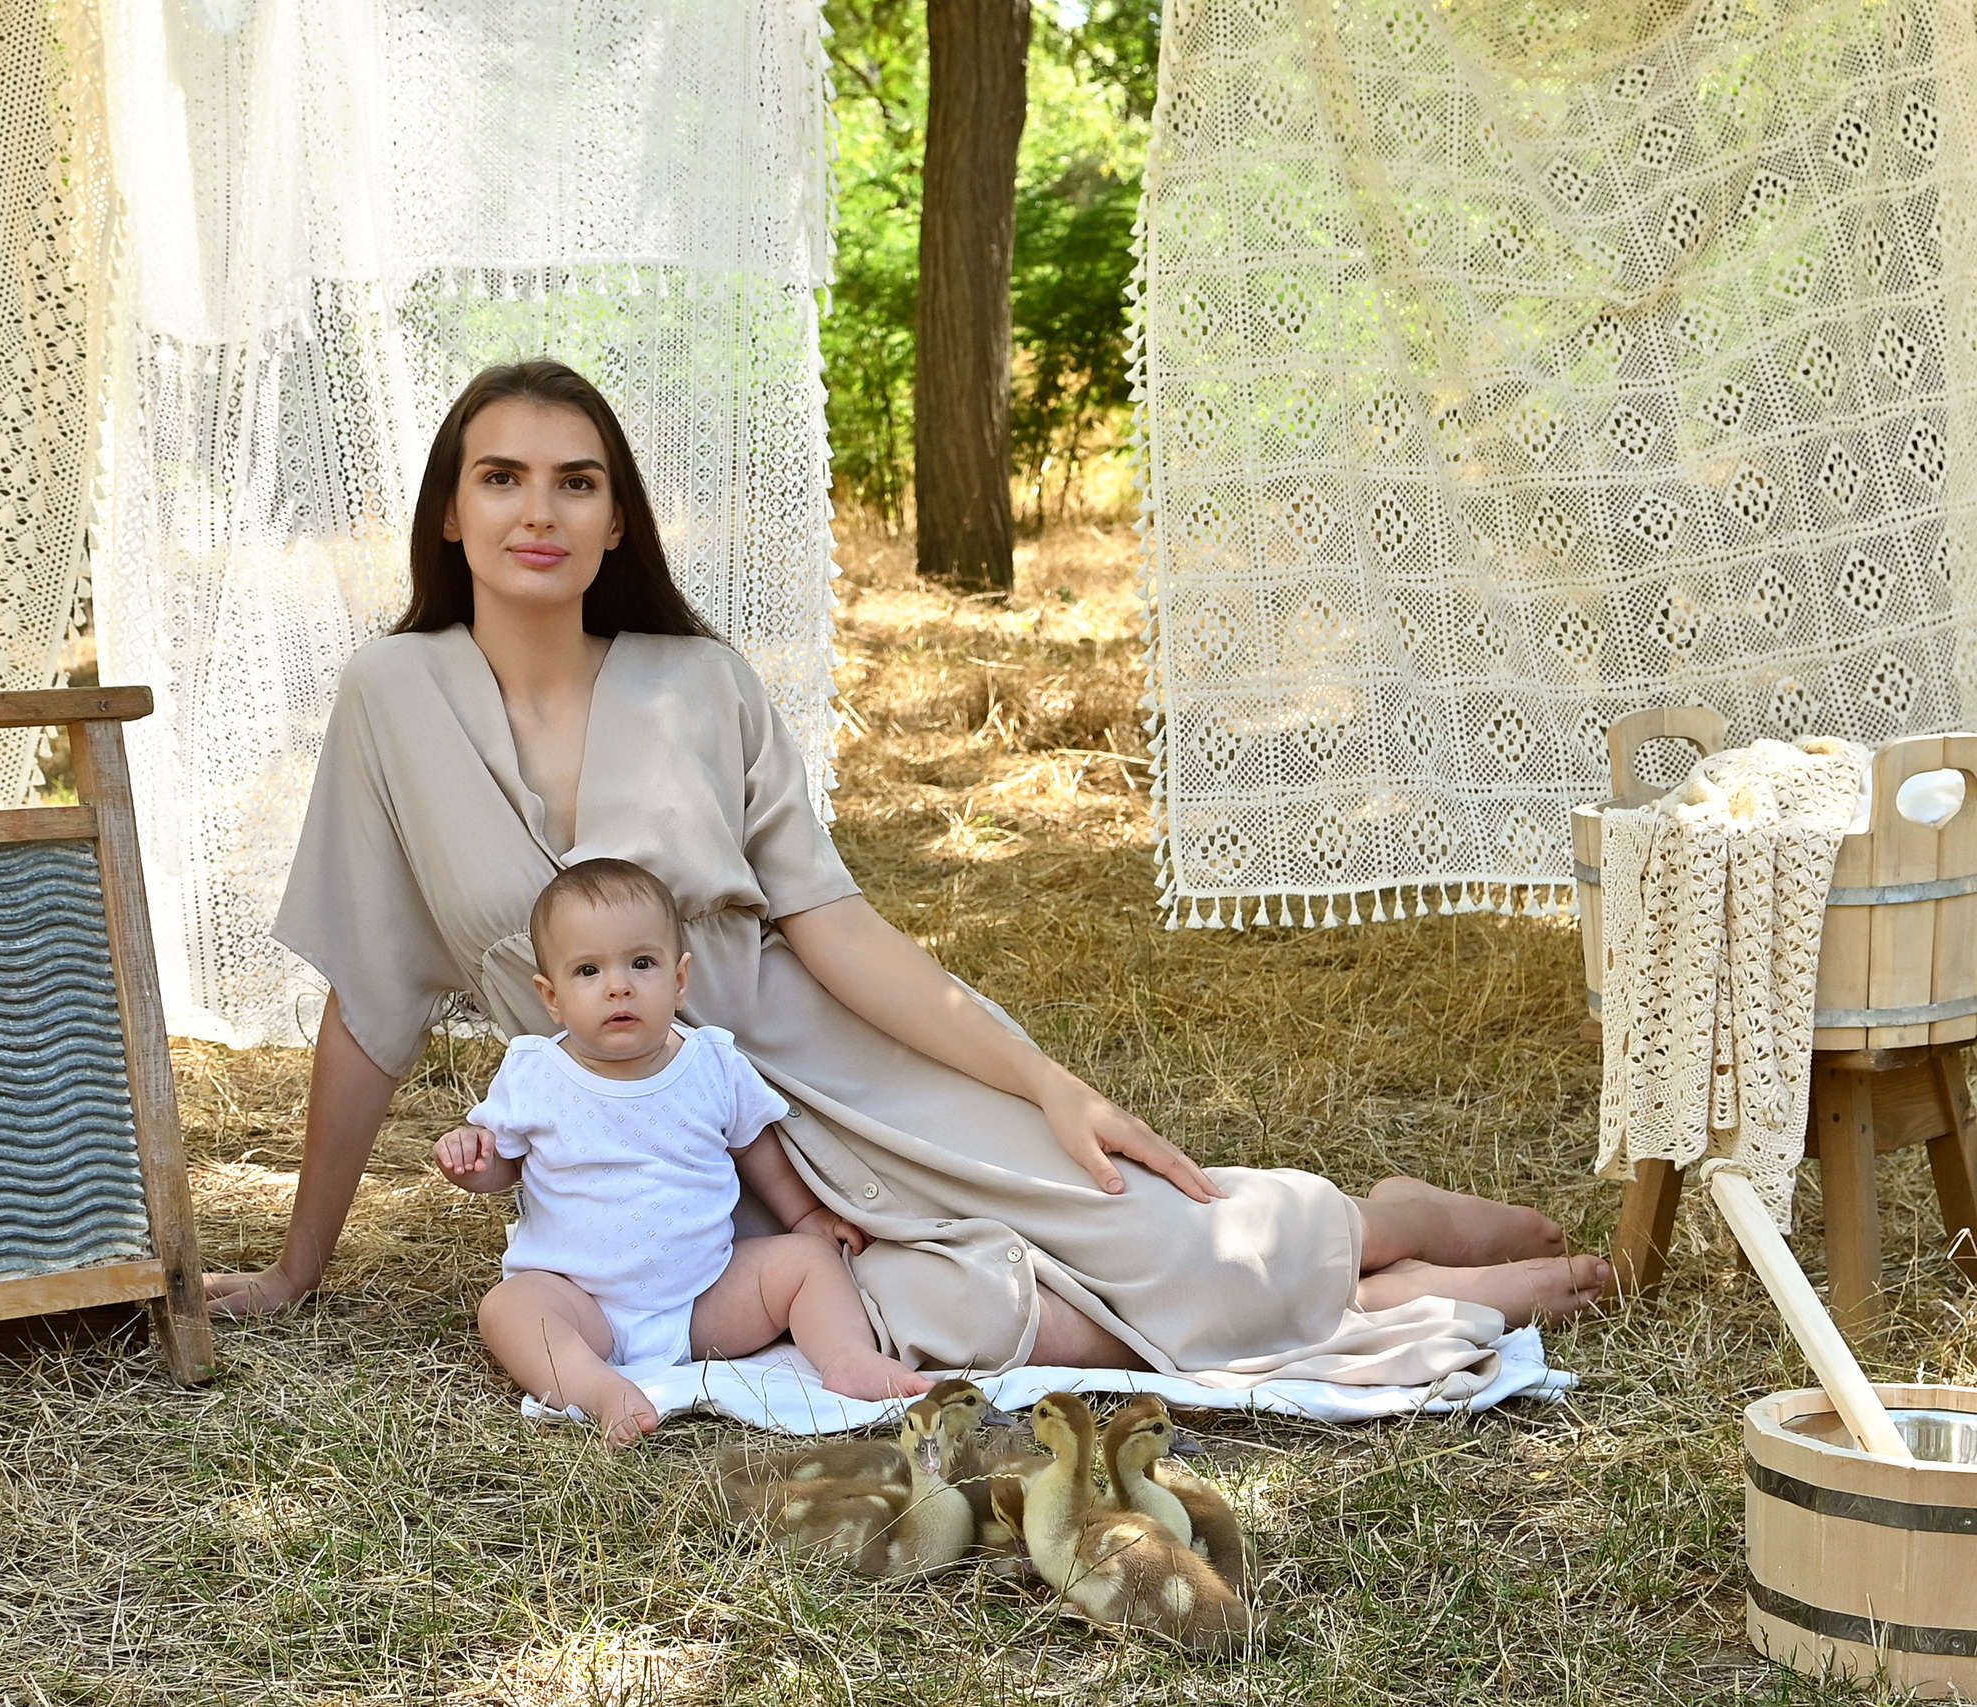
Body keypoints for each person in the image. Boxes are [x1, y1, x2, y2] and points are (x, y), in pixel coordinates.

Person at [210, 358, 1611, 1390]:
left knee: (1122, 1211)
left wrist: (1047, 1079)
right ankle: (1384, 1278)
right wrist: (293, 1264)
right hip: (682, 1163)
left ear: (620, 519)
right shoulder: (391, 696)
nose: (540, 510)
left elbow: (833, 923)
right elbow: (372, 998)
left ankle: (1379, 1230)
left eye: (577, 480)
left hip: (833, 1065)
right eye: (500, 477)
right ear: (447, 516)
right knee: (936, 1312)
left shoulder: (699, 681)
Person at [435, 857, 924, 1446]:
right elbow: (505, 1167)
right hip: (581, 1299)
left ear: (679, 979)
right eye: (588, 971)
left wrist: (804, 1216)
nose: (619, 985)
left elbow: (757, 1149)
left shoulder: (712, 1063)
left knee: (807, 1265)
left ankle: (847, 1357)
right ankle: (593, 1388)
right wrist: (474, 1165)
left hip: (705, 1299)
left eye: (642, 963)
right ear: (552, 996)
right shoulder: (535, 1072)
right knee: (509, 1308)